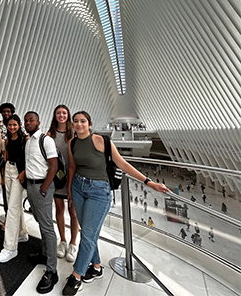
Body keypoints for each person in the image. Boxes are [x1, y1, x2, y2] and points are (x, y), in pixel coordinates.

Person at [63, 111, 169, 296]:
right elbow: (72, 167)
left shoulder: (102, 141)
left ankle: (76, 275)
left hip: (99, 192)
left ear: (89, 124)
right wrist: (70, 191)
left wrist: (149, 182)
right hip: (78, 188)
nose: (79, 124)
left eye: (83, 121)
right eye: (76, 121)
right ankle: (96, 267)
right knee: (88, 232)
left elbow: (123, 164)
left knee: (87, 235)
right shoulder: (72, 143)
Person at [22, 111, 59, 294]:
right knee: (40, 221)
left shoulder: (46, 140)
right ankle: (44, 254)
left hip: (42, 187)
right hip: (31, 186)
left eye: (31, 120)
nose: (28, 123)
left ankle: (52, 270)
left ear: (38, 122)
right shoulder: (29, 141)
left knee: (47, 227)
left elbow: (54, 165)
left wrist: (44, 188)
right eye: (26, 121)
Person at [46, 105, 79, 263]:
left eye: (64, 113)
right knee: (59, 209)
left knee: (73, 212)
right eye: (58, 113)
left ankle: (73, 243)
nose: (61, 115)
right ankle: (63, 241)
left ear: (68, 115)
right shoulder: (50, 134)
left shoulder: (74, 133)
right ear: (55, 115)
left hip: (73, 178)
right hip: (58, 178)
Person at [0, 115, 29, 263]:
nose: (12, 127)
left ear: (19, 124)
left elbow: (29, 158)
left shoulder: (25, 140)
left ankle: (10, 247)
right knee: (12, 204)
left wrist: (24, 173)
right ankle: (22, 233)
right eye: (10, 125)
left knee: (13, 209)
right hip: (8, 170)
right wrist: (3, 175)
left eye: (15, 125)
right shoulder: (7, 140)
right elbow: (5, 157)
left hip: (18, 173)